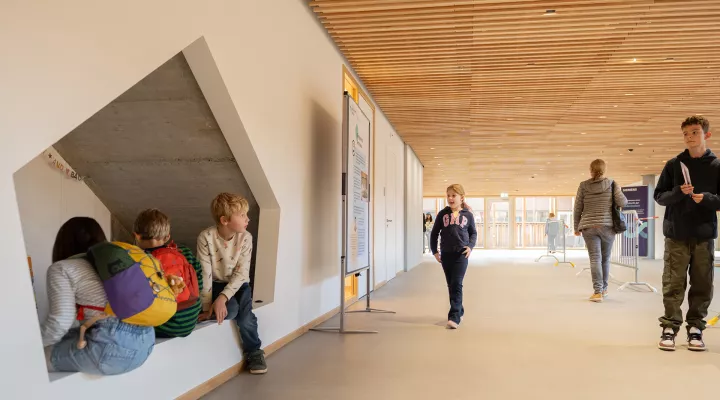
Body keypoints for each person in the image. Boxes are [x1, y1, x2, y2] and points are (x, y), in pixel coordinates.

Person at [40, 217, 154, 375]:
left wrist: (32, 346)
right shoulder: (116, 263)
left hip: (111, 350)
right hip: (146, 342)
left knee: (34, 360)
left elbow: (60, 322)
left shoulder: (62, 268)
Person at [655, 116, 720, 352]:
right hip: (676, 234)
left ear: (706, 135)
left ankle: (696, 329)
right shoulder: (673, 165)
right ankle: (669, 328)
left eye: (694, 132)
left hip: (704, 234)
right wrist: (678, 193)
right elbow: (659, 197)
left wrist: (708, 199)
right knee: (673, 283)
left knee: (703, 283)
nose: (689, 137)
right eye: (685, 134)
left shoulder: (716, 166)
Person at [197, 193, 267, 374]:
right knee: (231, 311)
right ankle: (210, 309)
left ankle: (254, 351)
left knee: (245, 318)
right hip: (216, 283)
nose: (247, 219)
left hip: (240, 284)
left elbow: (242, 272)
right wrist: (206, 307)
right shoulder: (206, 237)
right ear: (225, 220)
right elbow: (205, 273)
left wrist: (222, 298)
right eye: (242, 215)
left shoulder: (246, 237)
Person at [133, 209, 203, 338]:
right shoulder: (185, 252)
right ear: (167, 237)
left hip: (166, 324)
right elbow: (199, 281)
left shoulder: (141, 260)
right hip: (191, 319)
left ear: (137, 236)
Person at [573, 159, 627, 303]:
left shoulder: (583, 186)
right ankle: (604, 289)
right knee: (605, 258)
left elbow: (578, 208)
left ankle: (597, 292)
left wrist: (576, 227)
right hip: (607, 226)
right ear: (604, 170)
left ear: (591, 170)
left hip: (588, 227)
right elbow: (623, 202)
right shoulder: (612, 184)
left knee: (595, 259)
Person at [429, 184, 477, 329]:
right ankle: (460, 309)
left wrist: (470, 247)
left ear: (461, 198)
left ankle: (454, 316)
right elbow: (434, 233)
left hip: (461, 254)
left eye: (453, 195)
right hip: (446, 254)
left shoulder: (468, 215)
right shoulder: (443, 214)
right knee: (451, 284)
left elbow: (473, 233)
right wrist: (435, 251)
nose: (450, 198)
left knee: (457, 283)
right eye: (448, 195)